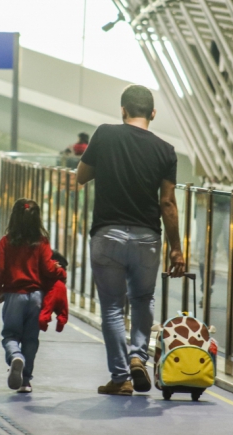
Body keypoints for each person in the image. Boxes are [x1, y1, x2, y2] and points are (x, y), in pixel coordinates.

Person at [77, 84, 185, 396]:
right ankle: (139, 356)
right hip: (147, 237)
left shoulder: (105, 134)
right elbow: (167, 203)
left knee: (111, 307)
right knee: (142, 299)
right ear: (153, 113)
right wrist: (176, 248)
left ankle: (120, 376)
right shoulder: (166, 150)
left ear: (122, 110)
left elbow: (81, 176)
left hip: (107, 233)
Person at [0, 199, 65, 393]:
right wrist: (58, 270)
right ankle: (25, 381)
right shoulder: (41, 242)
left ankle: (16, 356)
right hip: (36, 297)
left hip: (14, 295)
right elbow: (48, 269)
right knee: (31, 339)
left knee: (10, 335)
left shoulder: (6, 242)